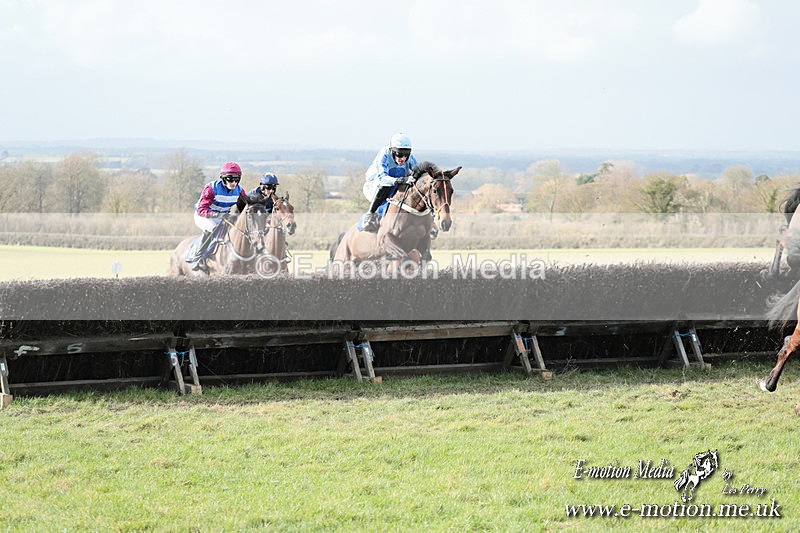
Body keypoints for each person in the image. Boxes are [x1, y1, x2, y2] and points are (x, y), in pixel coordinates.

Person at [190, 162, 247, 272]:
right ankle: (199, 257)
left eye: (236, 180)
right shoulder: (211, 189)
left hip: (222, 216)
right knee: (212, 227)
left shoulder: (240, 191)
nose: (233, 183)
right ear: (223, 178)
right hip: (203, 216)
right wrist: (216, 215)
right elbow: (201, 210)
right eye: (230, 179)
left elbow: (243, 210)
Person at [359, 132, 419, 232]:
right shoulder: (384, 155)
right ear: (392, 151)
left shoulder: (409, 158)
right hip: (375, 183)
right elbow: (382, 178)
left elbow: (419, 170)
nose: (403, 158)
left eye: (406, 155)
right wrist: (401, 180)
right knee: (384, 186)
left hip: (396, 180)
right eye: (399, 154)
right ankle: (370, 215)